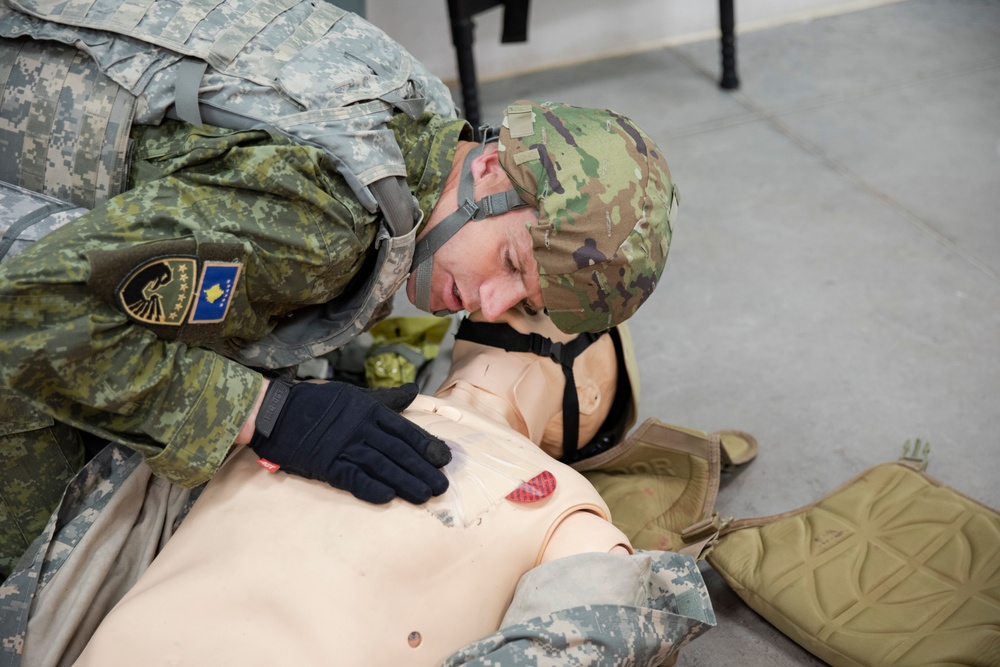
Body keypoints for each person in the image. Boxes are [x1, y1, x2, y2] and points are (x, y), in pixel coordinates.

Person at [0, 2, 678, 578]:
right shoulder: (326, 221)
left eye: (523, 305)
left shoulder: (408, 100)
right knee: (68, 564)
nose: (490, 305)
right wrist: (265, 412)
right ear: (494, 169)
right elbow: (33, 315)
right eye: (510, 263)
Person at [49, 306, 712, 667]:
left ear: (592, 393)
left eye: (542, 299)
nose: (503, 299)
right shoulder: (306, 405)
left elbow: (600, 631)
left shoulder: (564, 505)